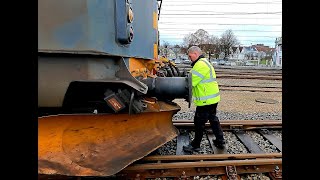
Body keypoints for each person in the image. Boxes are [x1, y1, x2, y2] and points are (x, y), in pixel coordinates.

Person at [183, 46, 226, 153]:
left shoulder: (200, 65)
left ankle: (195, 145)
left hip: (206, 100)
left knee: (199, 123)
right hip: (212, 98)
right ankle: (220, 140)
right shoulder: (204, 62)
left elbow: (190, 82)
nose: (189, 58)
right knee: (213, 119)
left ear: (195, 54)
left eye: (190, 56)